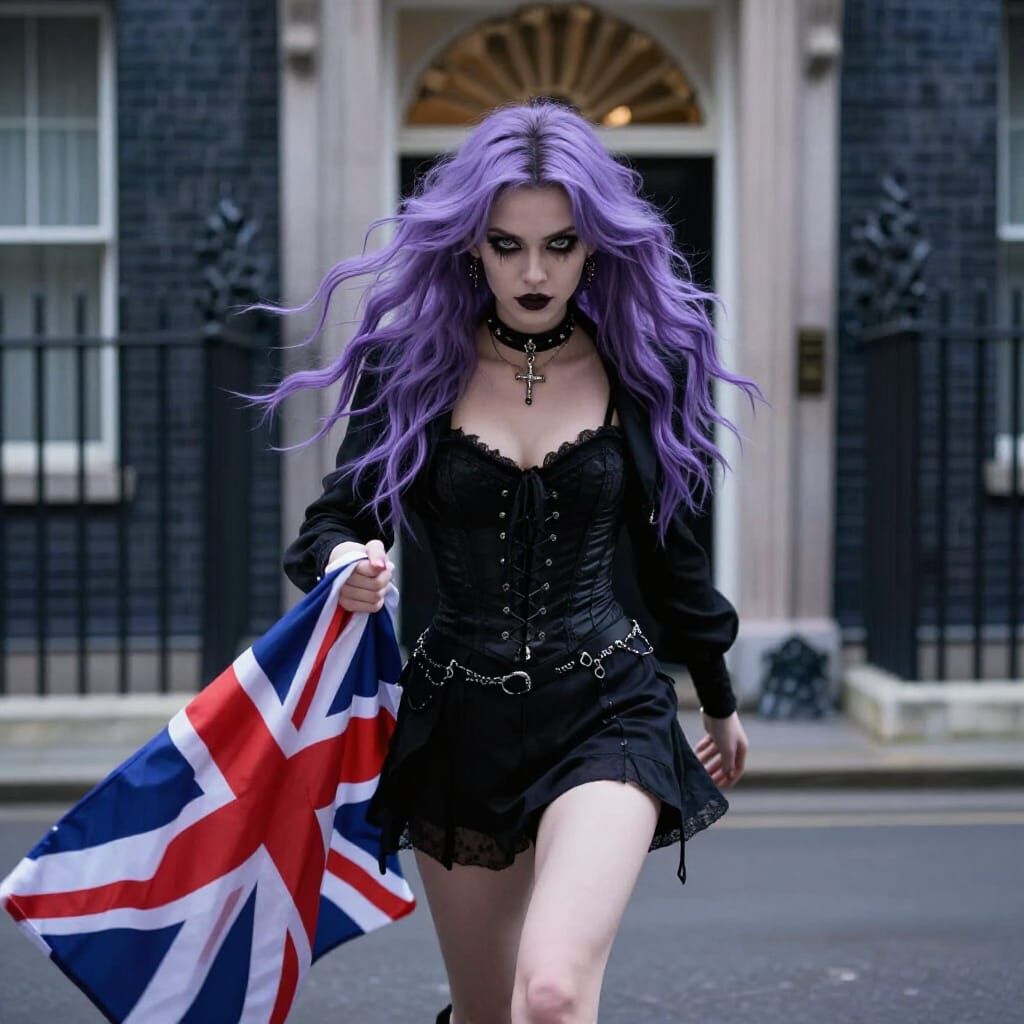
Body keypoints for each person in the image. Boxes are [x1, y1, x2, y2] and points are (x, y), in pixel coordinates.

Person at [246, 97, 764, 1024]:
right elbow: (332, 522)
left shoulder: (642, 368)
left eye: (559, 245)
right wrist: (349, 565)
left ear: (595, 246)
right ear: (470, 248)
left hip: (605, 704)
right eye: (507, 245)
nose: (533, 271)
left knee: (555, 994)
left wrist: (718, 700)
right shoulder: (410, 367)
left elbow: (671, 554)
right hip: (457, 724)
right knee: (490, 1013)